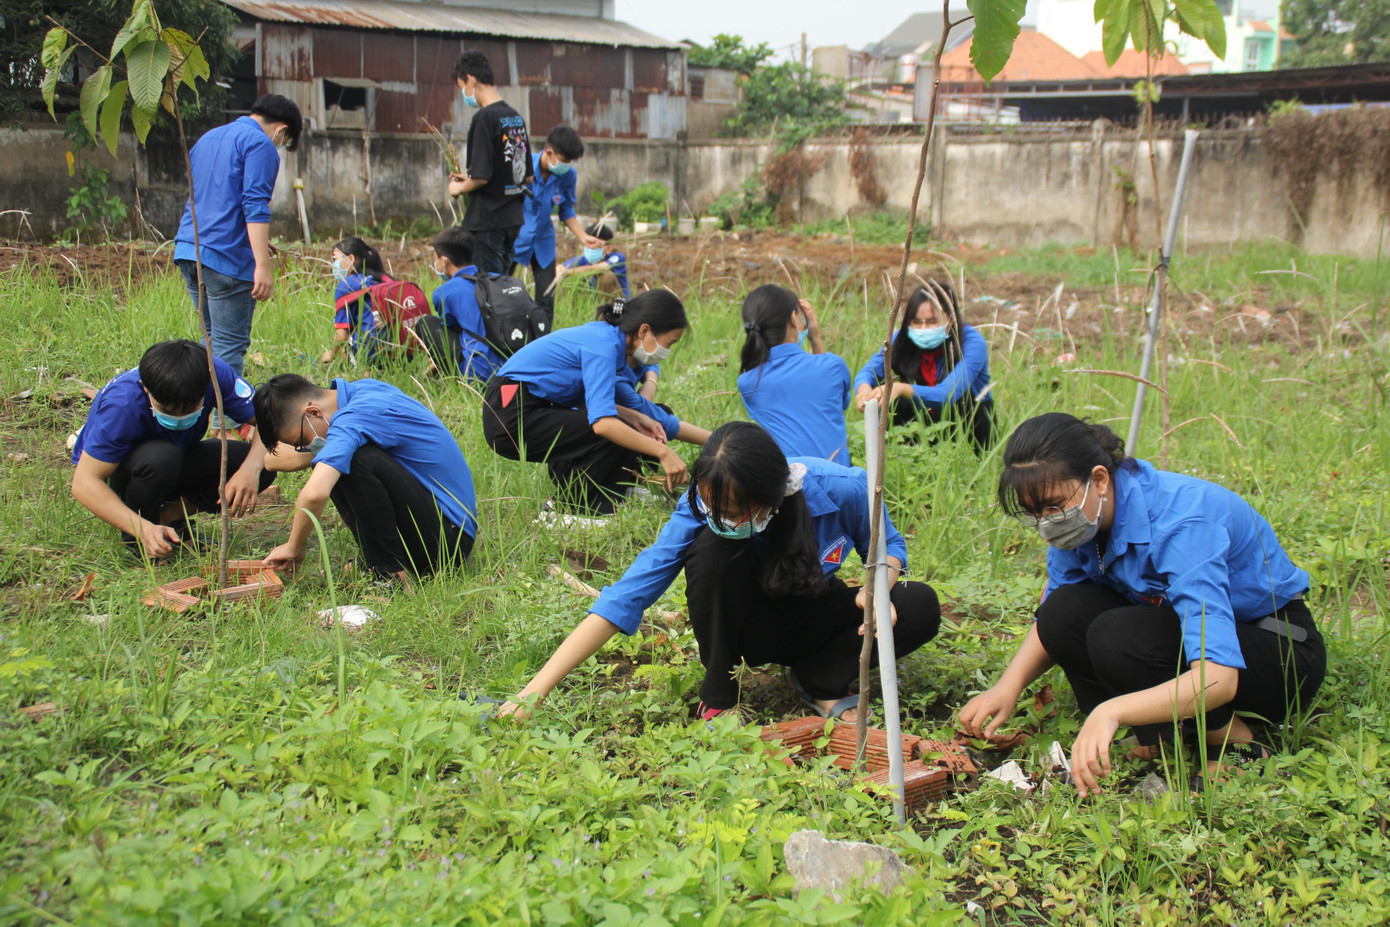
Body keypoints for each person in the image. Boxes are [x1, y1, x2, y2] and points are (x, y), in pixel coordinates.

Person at [959, 414, 1326, 796]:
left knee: (1118, 635)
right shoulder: (1085, 519)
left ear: (1099, 480)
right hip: (1181, 634)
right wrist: (1008, 686)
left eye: (1053, 507)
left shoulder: (1182, 523)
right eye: (1034, 513)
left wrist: (1111, 711)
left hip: (1276, 652)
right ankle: (1161, 731)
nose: (1047, 523)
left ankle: (1235, 742)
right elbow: (1059, 613)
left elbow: (1219, 677)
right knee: (1063, 611)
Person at [502, 422, 941, 721]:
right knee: (711, 552)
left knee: (920, 604)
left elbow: (889, 546)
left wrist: (879, 586)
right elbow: (628, 595)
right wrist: (532, 693)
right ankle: (719, 696)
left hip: (814, 614)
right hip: (749, 627)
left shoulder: (842, 489)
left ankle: (821, 677)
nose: (721, 517)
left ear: (771, 495)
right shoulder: (698, 511)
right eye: (712, 505)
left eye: (732, 510)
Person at [481, 290, 710, 516]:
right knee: (607, 430)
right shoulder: (603, 346)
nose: (667, 351)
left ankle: (621, 490)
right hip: (508, 413)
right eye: (669, 343)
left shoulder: (615, 347)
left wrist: (634, 416)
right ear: (644, 331)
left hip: (535, 408)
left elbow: (648, 414)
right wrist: (664, 453)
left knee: (633, 424)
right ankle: (565, 509)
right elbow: (602, 424)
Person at [254, 374, 478, 589]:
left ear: (313, 412)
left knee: (354, 461)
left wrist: (294, 547)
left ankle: (389, 575)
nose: (308, 446)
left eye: (303, 440)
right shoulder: (364, 392)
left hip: (448, 542)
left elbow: (315, 494)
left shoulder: (353, 420)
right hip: (437, 525)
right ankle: (376, 563)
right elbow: (275, 460)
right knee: (334, 458)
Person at [69, 339, 275, 558]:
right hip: (133, 473)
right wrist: (142, 528)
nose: (180, 417)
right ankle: (140, 537)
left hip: (179, 458)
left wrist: (250, 469)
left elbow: (267, 420)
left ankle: (171, 518)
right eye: (168, 410)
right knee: (162, 457)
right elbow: (84, 483)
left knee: (265, 464)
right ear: (146, 388)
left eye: (190, 408)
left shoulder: (213, 374)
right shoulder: (122, 405)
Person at [174, 93, 302, 377]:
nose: (279, 146)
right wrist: (262, 266)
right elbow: (255, 205)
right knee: (229, 347)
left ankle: (203, 412)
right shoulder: (260, 145)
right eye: (284, 142)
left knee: (209, 341)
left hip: (189, 249)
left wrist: (253, 238)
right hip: (227, 259)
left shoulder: (208, 138)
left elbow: (212, 198)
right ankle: (228, 421)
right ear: (281, 129)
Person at [853, 280, 995, 451]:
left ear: (950, 320)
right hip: (922, 417)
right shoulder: (903, 338)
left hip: (969, 421)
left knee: (962, 400)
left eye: (931, 321)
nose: (923, 328)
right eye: (916, 322)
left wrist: (901, 389)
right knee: (894, 399)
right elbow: (869, 371)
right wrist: (863, 390)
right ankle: (904, 452)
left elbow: (948, 394)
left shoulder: (971, 342)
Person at [737, 284, 853, 465]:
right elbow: (840, 403)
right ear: (794, 319)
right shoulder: (833, 367)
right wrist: (815, 338)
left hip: (790, 486)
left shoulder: (748, 383)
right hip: (840, 485)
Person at [448, 51, 532, 276]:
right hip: (512, 218)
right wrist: (473, 178)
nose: (464, 94)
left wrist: (458, 187)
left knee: (487, 290)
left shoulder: (484, 118)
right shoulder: (514, 117)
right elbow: (524, 174)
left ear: (470, 79)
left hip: (487, 221)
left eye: (462, 87)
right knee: (502, 287)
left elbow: (481, 177)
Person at [512, 125, 602, 326]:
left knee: (546, 297)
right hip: (515, 237)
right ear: (549, 152)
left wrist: (582, 236)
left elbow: (566, 209)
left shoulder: (567, 175)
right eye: (564, 160)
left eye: (569, 162)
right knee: (500, 290)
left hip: (543, 240)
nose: (566, 166)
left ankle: (542, 342)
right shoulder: (521, 165)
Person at [416, 227, 504, 382]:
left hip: (482, 374)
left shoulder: (445, 292)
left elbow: (452, 330)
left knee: (426, 323)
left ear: (444, 261)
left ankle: (458, 378)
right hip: (515, 365)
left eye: (436, 259)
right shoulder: (498, 279)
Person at [321, 236, 388, 364]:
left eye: (335, 259)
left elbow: (342, 336)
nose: (334, 265)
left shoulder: (346, 285)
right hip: (398, 351)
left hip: (370, 354)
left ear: (351, 259)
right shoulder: (383, 278)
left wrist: (330, 355)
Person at [558, 223, 630, 300]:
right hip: (595, 306)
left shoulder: (617, 258)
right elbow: (559, 269)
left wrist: (566, 272)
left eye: (596, 245)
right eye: (589, 244)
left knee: (607, 277)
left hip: (619, 306)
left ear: (609, 248)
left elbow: (596, 268)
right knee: (574, 279)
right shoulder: (582, 259)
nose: (591, 248)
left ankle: (612, 312)